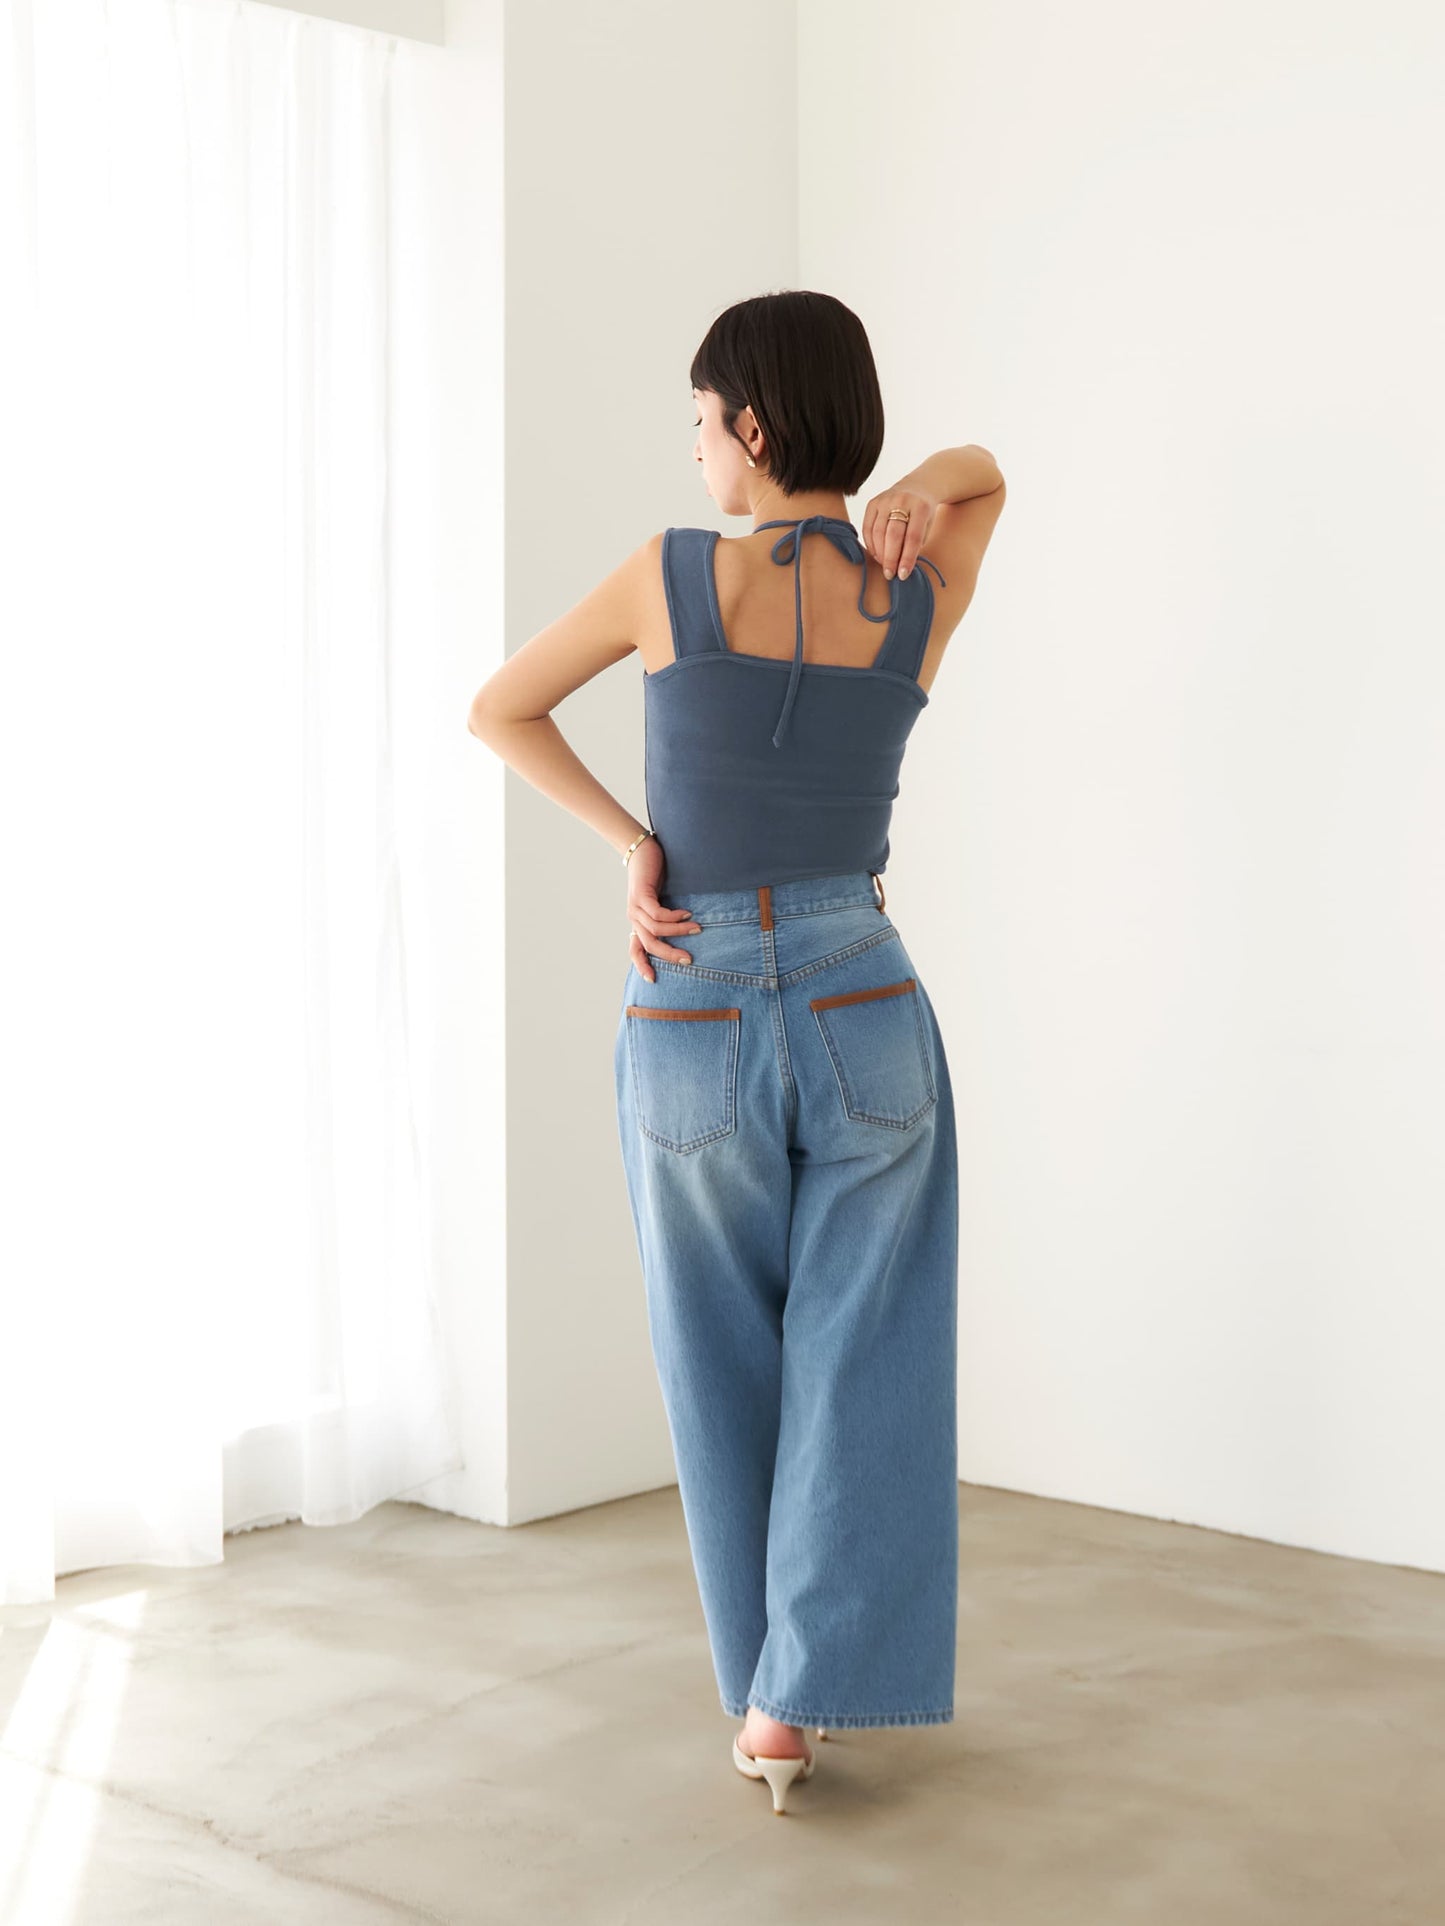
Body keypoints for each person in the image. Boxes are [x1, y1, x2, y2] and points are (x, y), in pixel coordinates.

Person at [468, 290, 1006, 1813]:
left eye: (703, 423)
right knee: (867, 1344)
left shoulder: (670, 573)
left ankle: (769, 1690)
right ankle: (795, 1691)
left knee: (716, 1350)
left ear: (752, 427)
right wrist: (916, 487)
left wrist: (631, 843)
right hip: (861, 991)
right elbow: (986, 476)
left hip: (691, 993)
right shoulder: (915, 585)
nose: (697, 451)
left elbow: (500, 709)